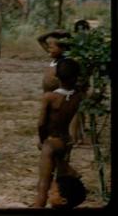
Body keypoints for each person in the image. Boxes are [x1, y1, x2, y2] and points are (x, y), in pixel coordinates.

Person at [34, 58, 84, 208]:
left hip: (52, 142)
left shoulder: (50, 97)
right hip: (65, 140)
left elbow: (41, 124)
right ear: (76, 76)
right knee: (61, 182)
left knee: (44, 184)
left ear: (56, 75)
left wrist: (43, 140)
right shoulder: (78, 96)